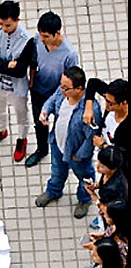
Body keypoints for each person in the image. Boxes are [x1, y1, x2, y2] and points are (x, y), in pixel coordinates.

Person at [35, 66, 102, 219]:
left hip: (76, 153)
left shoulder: (91, 111)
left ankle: (85, 199)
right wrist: (45, 111)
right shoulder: (62, 92)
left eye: (66, 88)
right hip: (58, 144)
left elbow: (90, 138)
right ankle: (54, 191)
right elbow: (52, 100)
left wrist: (79, 156)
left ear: (79, 89)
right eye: (61, 85)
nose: (62, 90)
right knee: (57, 172)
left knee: (85, 176)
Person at [26, 11, 80, 168]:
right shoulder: (38, 40)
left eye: (46, 36)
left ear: (57, 33)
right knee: (39, 122)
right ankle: (41, 150)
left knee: (60, 125)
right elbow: (34, 59)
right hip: (38, 90)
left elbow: (71, 80)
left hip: (58, 96)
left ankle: (61, 152)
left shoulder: (69, 54)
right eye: (41, 35)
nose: (42, 40)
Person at [0, 0, 35, 162]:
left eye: (8, 25)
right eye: (2, 24)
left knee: (21, 115)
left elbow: (20, 71)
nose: (4, 29)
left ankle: (21, 139)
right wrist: (7, 65)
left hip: (17, 87)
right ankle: (1, 130)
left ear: (17, 21)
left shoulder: (27, 39)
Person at [86, 78, 129, 183]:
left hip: (116, 164)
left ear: (124, 103)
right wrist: (89, 107)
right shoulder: (112, 96)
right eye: (105, 99)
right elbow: (93, 83)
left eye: (110, 103)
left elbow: (123, 154)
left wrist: (103, 145)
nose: (106, 105)